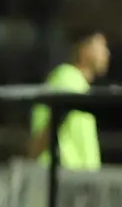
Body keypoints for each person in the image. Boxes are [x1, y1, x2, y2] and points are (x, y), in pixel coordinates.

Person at [28, 29, 110, 169]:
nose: (107, 53)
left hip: (77, 177)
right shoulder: (67, 77)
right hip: (62, 174)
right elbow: (52, 125)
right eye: (101, 46)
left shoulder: (80, 84)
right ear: (85, 50)